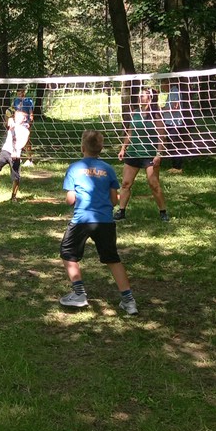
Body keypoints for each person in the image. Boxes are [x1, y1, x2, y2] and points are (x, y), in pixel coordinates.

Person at [58, 130, 138, 315]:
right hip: (105, 221)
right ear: (101, 148)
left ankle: (79, 294)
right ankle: (129, 301)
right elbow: (114, 200)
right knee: (113, 259)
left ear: (82, 148)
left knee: (68, 254)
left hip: (82, 220)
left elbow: (70, 200)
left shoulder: (74, 168)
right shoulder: (108, 169)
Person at [116, 86, 170, 223]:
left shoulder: (156, 115)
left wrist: (158, 154)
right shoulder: (135, 113)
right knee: (126, 184)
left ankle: (163, 212)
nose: (140, 97)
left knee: (154, 184)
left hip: (149, 154)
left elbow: (162, 136)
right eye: (140, 95)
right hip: (133, 153)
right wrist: (123, 148)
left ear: (150, 98)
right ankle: (121, 211)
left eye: (143, 95)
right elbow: (130, 132)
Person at [162, 78, 186, 172]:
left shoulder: (175, 91)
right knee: (172, 145)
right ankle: (175, 166)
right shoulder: (171, 92)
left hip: (174, 123)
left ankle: (177, 167)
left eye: (163, 84)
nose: (162, 87)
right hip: (170, 123)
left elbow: (176, 107)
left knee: (174, 145)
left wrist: (163, 109)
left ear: (167, 83)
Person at [13, 88, 35, 166]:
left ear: (24, 93)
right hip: (17, 123)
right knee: (16, 140)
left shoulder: (28, 101)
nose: (19, 95)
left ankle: (29, 159)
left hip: (25, 124)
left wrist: (30, 122)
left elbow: (31, 113)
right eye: (18, 93)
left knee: (26, 141)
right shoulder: (16, 101)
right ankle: (18, 158)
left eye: (20, 93)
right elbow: (15, 111)